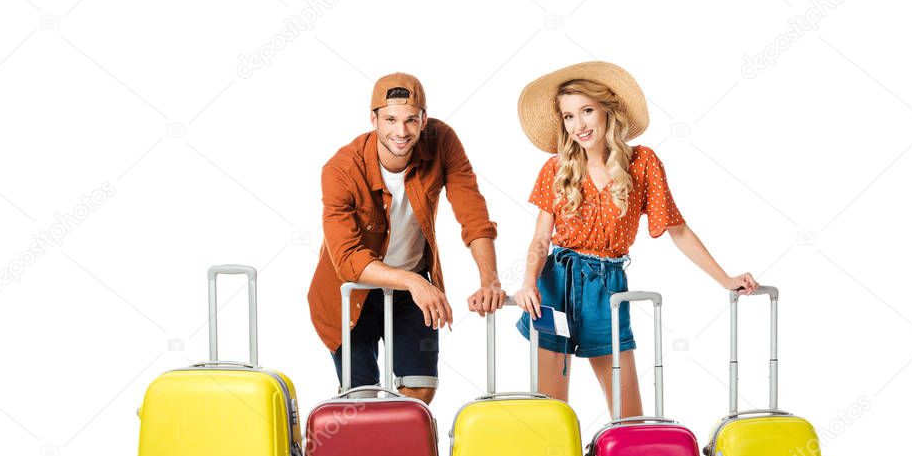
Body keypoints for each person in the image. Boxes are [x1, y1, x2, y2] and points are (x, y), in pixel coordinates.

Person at [512, 62, 758, 418]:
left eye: (586, 111)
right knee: (549, 412)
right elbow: (540, 237)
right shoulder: (557, 168)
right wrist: (528, 283)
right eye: (568, 116)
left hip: (607, 288)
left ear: (607, 111)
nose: (578, 125)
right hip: (554, 287)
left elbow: (678, 229)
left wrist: (726, 280)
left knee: (628, 415)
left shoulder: (642, 163)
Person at [308, 72, 505, 403]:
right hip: (352, 293)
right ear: (374, 119)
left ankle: (406, 453)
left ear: (423, 119)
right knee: (363, 399)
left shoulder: (441, 140)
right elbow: (347, 259)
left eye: (411, 120)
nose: (401, 132)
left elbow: (473, 215)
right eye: (390, 120)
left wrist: (490, 280)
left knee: (419, 391)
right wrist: (415, 283)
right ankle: (365, 450)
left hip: (414, 286)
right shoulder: (341, 169)